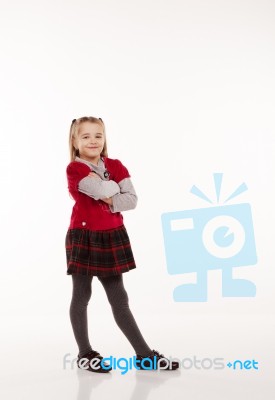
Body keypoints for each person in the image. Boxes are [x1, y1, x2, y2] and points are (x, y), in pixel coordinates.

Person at [65, 116, 179, 373]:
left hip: (112, 235)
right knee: (82, 295)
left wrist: (109, 193)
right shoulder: (75, 169)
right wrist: (113, 189)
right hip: (83, 236)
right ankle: (85, 354)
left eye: (98, 135)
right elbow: (102, 189)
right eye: (85, 136)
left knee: (120, 298)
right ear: (74, 141)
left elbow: (132, 200)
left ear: (105, 138)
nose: (93, 141)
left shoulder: (116, 165)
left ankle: (144, 356)